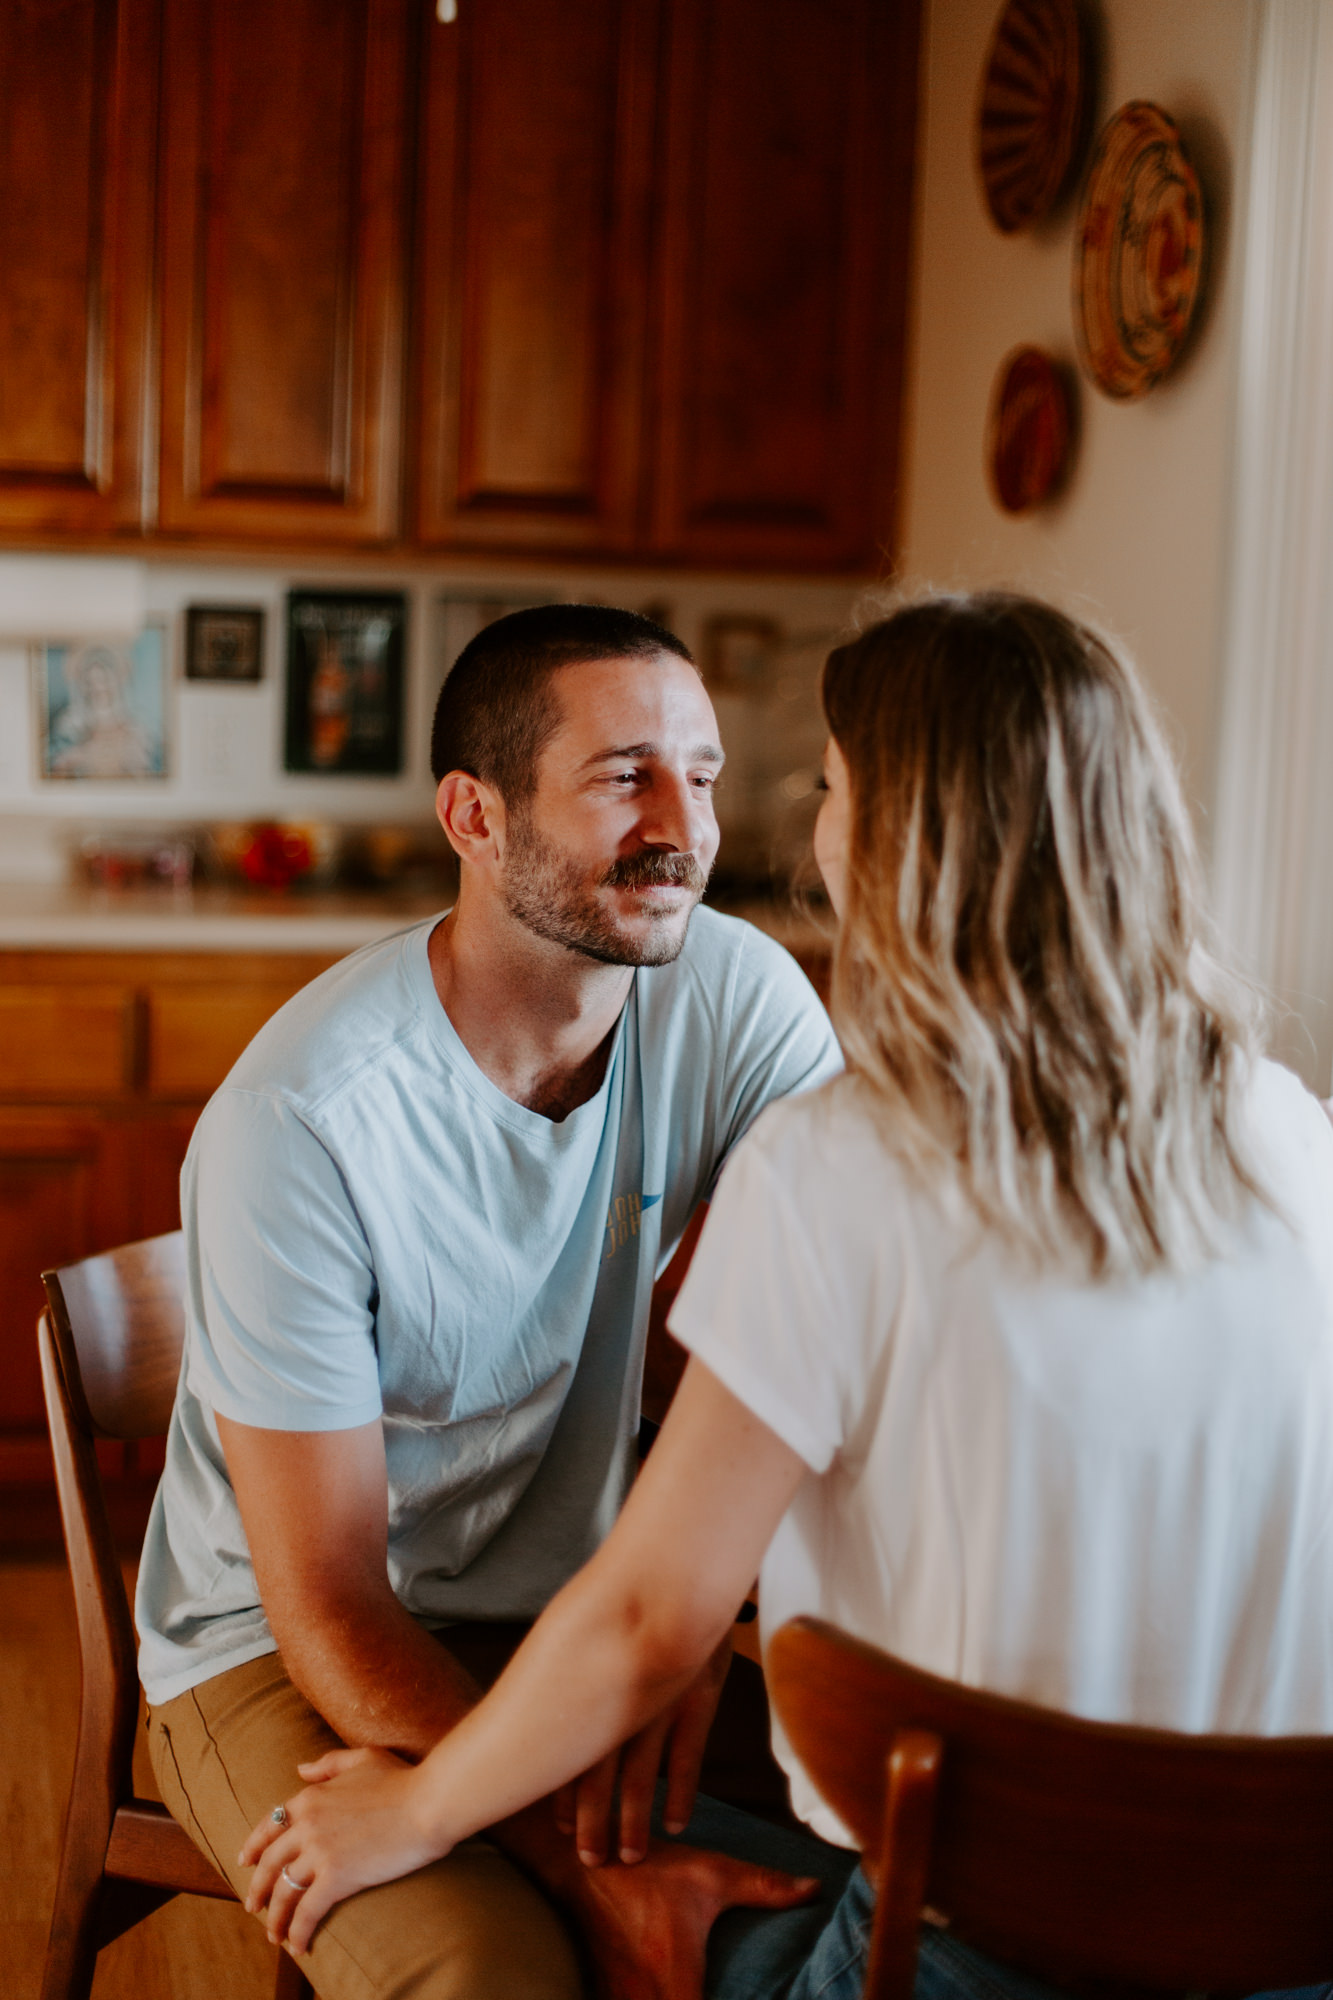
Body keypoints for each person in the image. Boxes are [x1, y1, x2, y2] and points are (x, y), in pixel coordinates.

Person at [240, 591, 1333, 2000]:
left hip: (964, 1949)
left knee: (634, 1918)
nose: (714, 825)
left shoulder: (845, 1163)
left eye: (830, 785)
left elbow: (643, 1621)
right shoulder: (1294, 1137)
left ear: (897, 836)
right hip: (1294, 1936)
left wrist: (418, 1808)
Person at [135, 603, 842, 2000]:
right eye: (621, 773)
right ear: (474, 813)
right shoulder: (308, 1120)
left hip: (584, 1602)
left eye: (697, 774)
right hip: (279, 1646)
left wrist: (697, 1616)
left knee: (892, 1887)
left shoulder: (736, 998)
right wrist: (590, 1869)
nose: (681, 826)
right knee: (494, 1971)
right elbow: (329, 1607)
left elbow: (847, 1319)